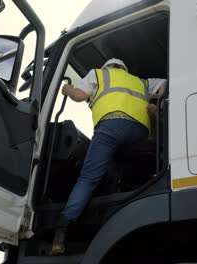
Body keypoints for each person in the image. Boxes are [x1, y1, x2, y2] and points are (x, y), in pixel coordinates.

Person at [51, 58, 167, 255]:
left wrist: (67, 89)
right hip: (139, 134)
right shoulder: (141, 82)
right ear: (124, 69)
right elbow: (165, 83)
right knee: (117, 171)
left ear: (107, 67)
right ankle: (116, 215)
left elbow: (79, 96)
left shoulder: (98, 74)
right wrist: (159, 104)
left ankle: (61, 232)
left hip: (110, 128)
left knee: (88, 178)